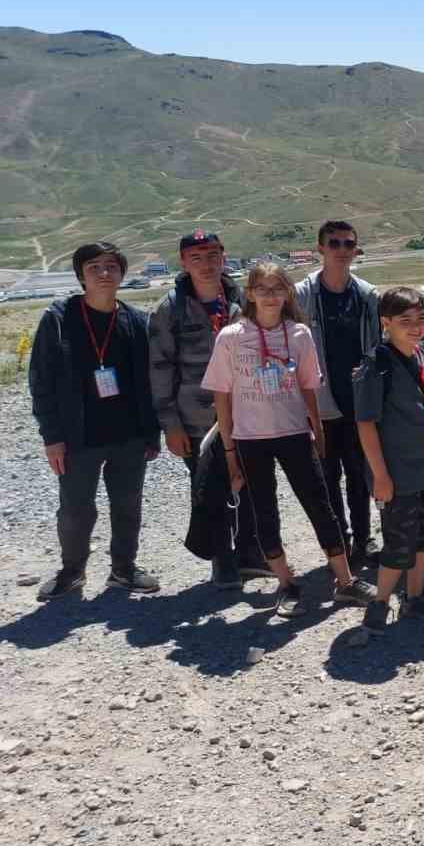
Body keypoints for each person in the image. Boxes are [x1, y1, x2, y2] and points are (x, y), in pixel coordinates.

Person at [204, 262, 372, 618]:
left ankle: (344, 581)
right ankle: (286, 583)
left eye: (277, 288)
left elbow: (309, 385)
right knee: (265, 511)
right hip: (250, 438)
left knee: (320, 506)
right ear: (249, 293)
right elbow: (222, 395)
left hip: (295, 432)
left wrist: (318, 428)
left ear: (287, 293)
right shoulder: (231, 337)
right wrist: (231, 449)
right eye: (262, 289)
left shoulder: (299, 334)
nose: (269, 295)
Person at [28, 241, 162, 601]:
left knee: (128, 505)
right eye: (94, 268)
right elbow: (40, 382)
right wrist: (52, 437)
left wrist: (152, 433)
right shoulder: (58, 320)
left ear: (121, 273)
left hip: (129, 436)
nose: (104, 274)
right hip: (77, 438)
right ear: (81, 276)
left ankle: (123, 569)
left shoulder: (136, 322)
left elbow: (148, 382)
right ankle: (72, 572)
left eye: (111, 267)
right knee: (75, 509)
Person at [148, 229, 265, 589]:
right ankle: (221, 559)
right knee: (211, 488)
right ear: (183, 262)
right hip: (197, 419)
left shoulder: (243, 300)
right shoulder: (169, 309)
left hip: (246, 412)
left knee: (250, 482)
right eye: (196, 257)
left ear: (224, 256)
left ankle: (250, 553)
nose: (206, 263)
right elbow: (159, 368)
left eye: (212, 254)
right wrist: (171, 425)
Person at [354, 287, 424, 631]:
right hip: (398, 474)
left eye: (420, 319)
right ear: (386, 323)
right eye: (405, 321)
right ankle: (380, 603)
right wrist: (379, 476)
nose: (415, 327)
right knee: (398, 542)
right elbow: (365, 425)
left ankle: (414, 599)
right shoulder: (376, 365)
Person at [294, 220, 381, 566]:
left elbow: (377, 345)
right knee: (327, 477)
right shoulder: (302, 295)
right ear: (321, 249)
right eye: (334, 243)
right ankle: (338, 541)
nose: (342, 250)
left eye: (348, 244)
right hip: (321, 404)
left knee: (361, 475)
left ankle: (364, 539)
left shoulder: (367, 294)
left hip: (358, 402)